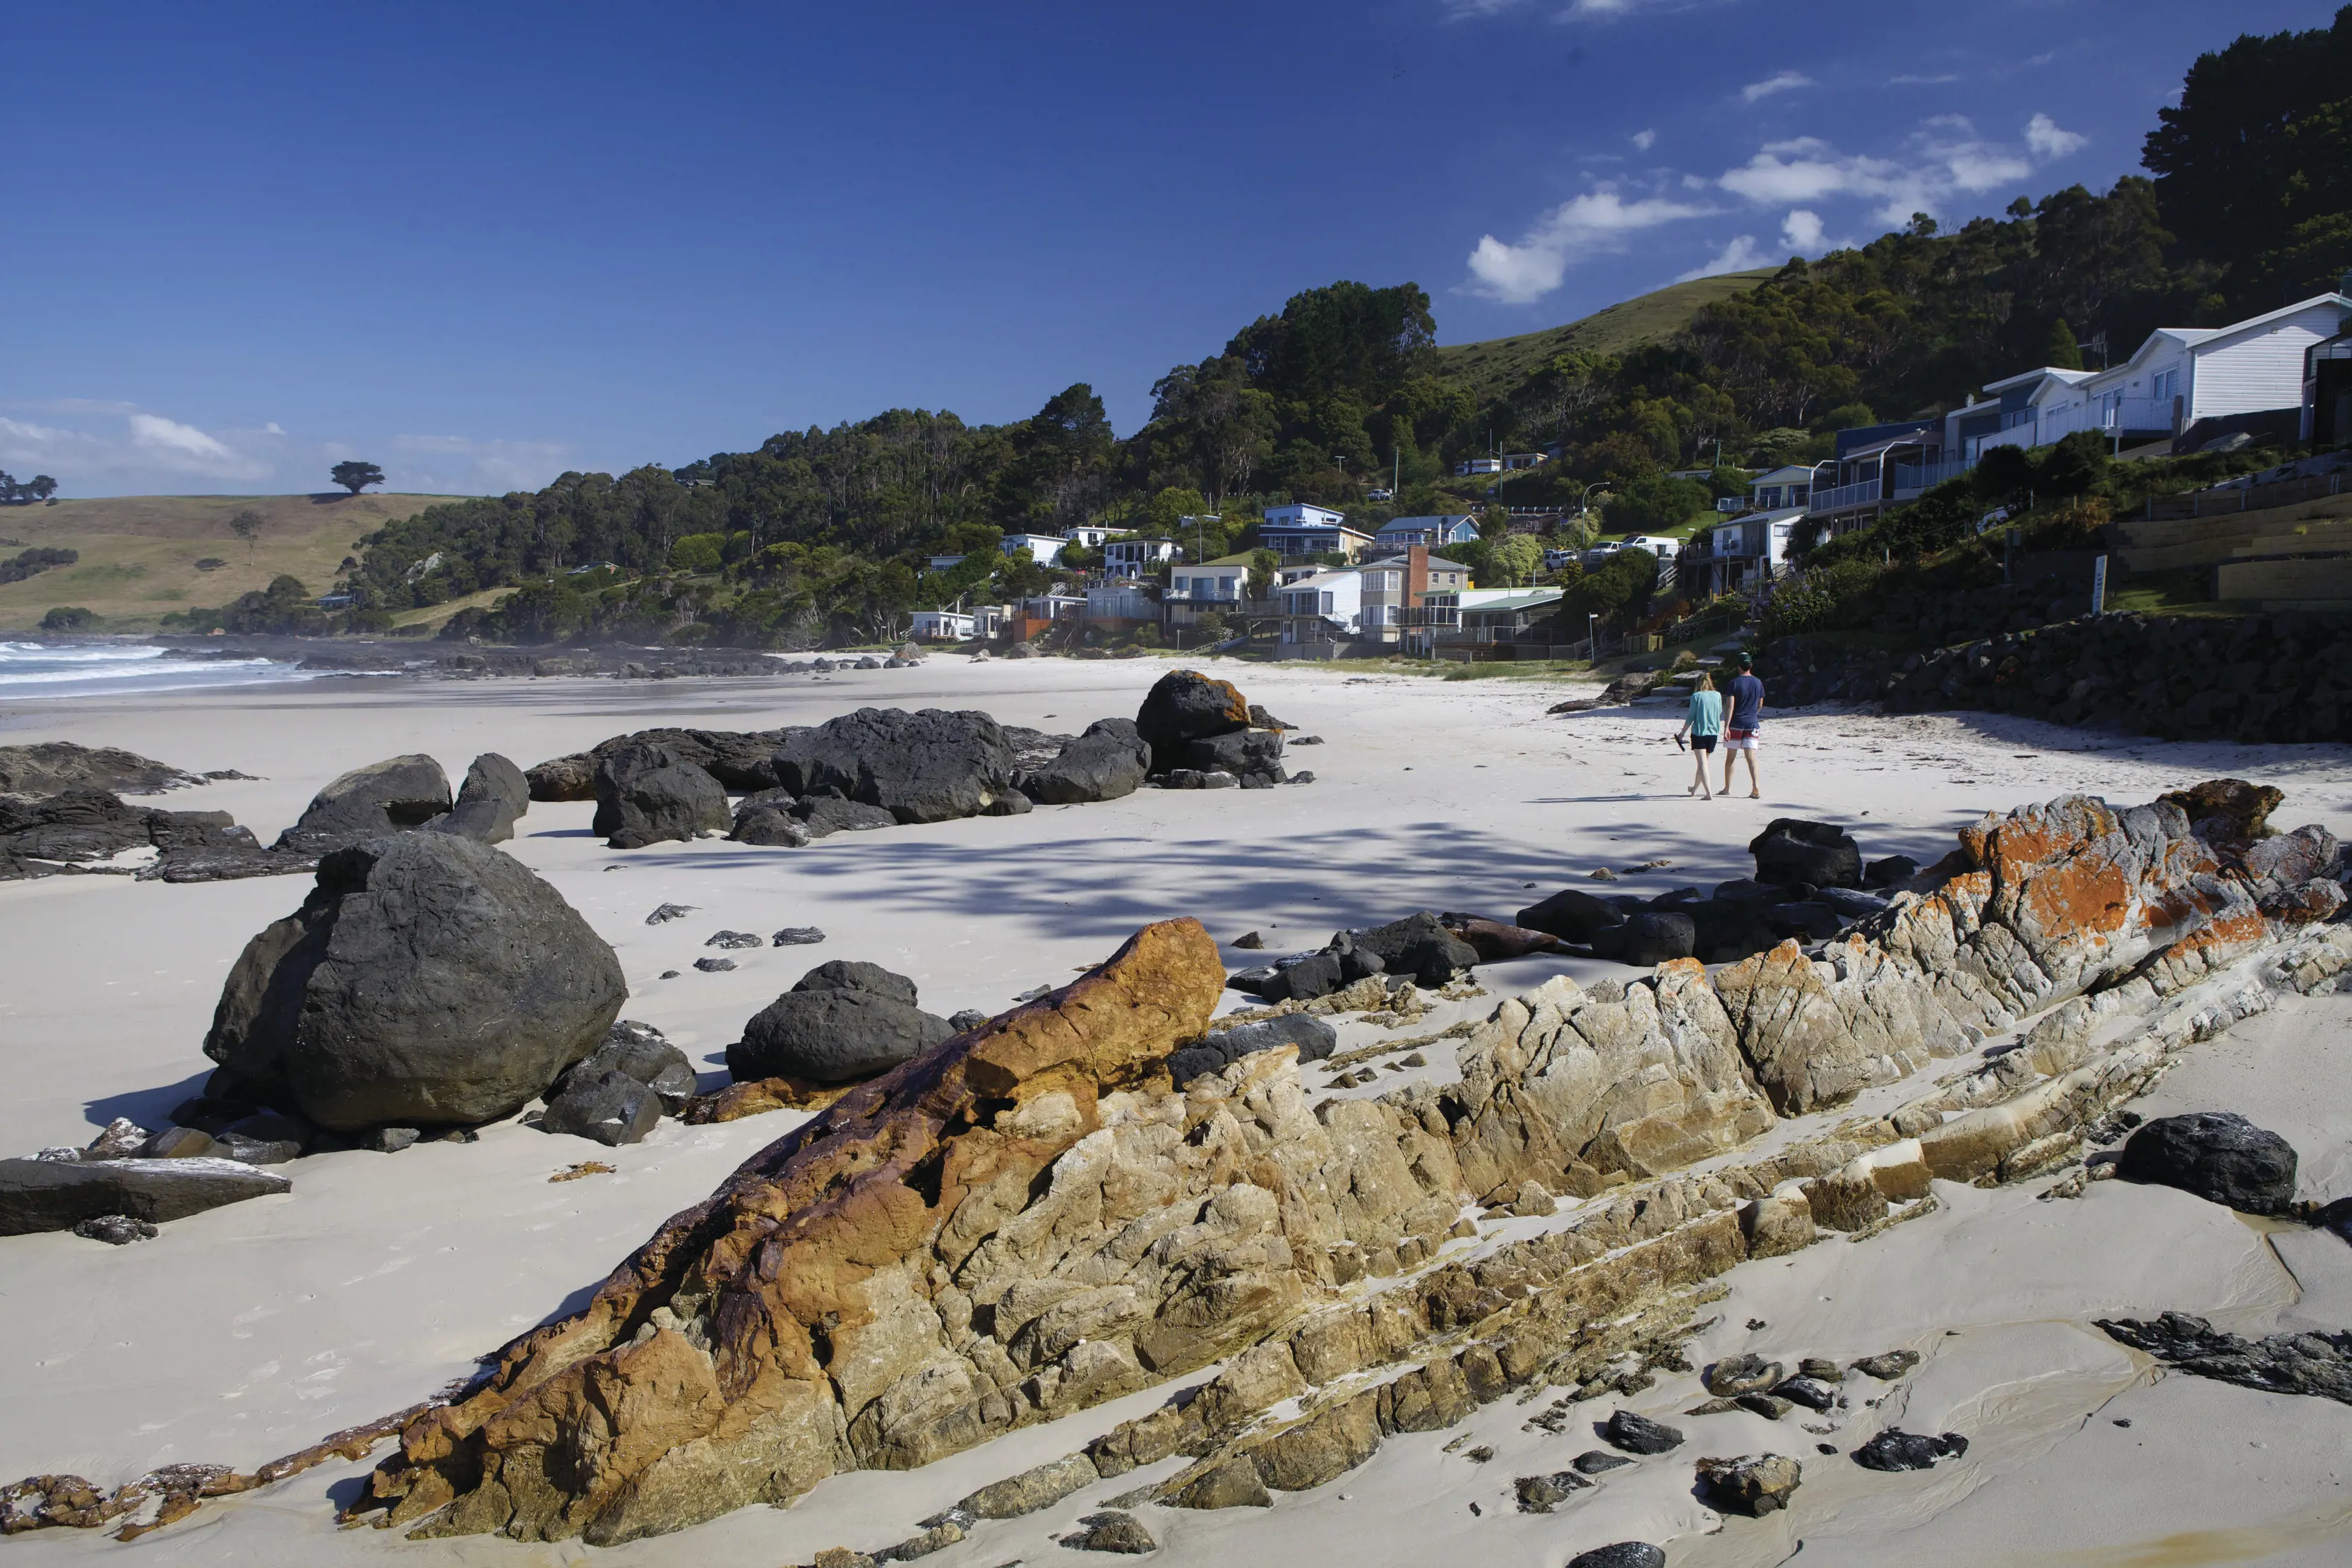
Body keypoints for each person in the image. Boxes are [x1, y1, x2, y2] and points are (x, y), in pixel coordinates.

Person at [1722, 652, 1765, 798]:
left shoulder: (1733, 683)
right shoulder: (1758, 682)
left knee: (1731, 758)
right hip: (1752, 723)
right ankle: (1755, 786)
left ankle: (1727, 788)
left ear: (1738, 666)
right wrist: (1753, 714)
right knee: (1751, 757)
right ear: (1751, 666)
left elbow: (1730, 707)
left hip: (1736, 724)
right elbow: (1760, 704)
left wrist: (1726, 726)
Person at [1676, 671, 1722, 798]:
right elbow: (1719, 711)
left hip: (1699, 733)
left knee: (1702, 764)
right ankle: (1694, 789)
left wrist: (1682, 733)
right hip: (1713, 733)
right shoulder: (1717, 695)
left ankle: (1708, 793)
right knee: (1704, 763)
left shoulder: (1696, 696)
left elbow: (1691, 717)